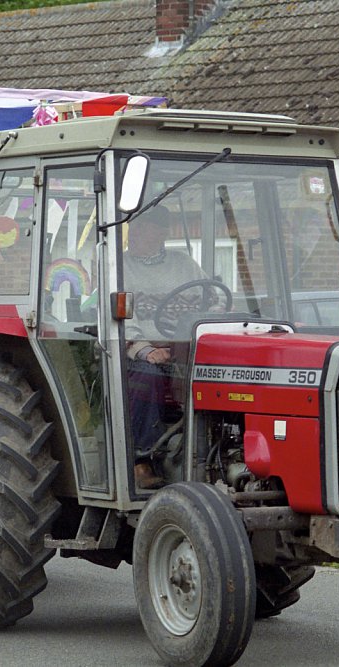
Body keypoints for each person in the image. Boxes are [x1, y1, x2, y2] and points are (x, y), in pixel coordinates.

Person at [122, 207, 209, 490]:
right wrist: (145, 349)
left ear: (161, 233)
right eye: (132, 228)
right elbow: (121, 320)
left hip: (184, 347)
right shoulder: (119, 267)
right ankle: (141, 460)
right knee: (149, 376)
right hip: (138, 352)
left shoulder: (184, 264)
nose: (133, 234)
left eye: (141, 228)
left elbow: (211, 297)